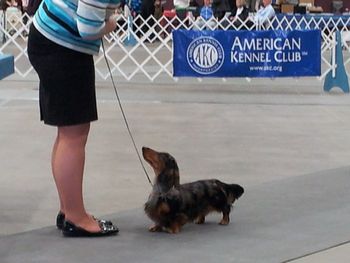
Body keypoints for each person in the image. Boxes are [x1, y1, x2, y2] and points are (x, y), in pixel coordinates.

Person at [27, 0, 120, 237]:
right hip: (62, 47)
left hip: (53, 40)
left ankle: (68, 208)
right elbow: (88, 29)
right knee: (74, 135)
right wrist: (110, 25)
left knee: (68, 133)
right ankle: (76, 217)